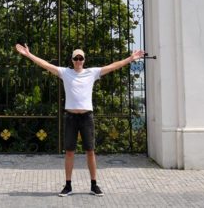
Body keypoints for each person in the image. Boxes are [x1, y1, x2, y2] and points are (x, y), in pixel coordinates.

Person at [14, 43, 145, 197]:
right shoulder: (65, 73)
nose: (78, 60)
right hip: (70, 117)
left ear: (84, 60)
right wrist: (29, 55)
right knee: (69, 152)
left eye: (80, 58)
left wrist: (130, 58)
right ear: (72, 60)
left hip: (86, 117)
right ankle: (68, 185)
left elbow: (112, 66)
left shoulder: (92, 73)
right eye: (75, 58)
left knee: (90, 152)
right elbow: (46, 65)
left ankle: (94, 185)